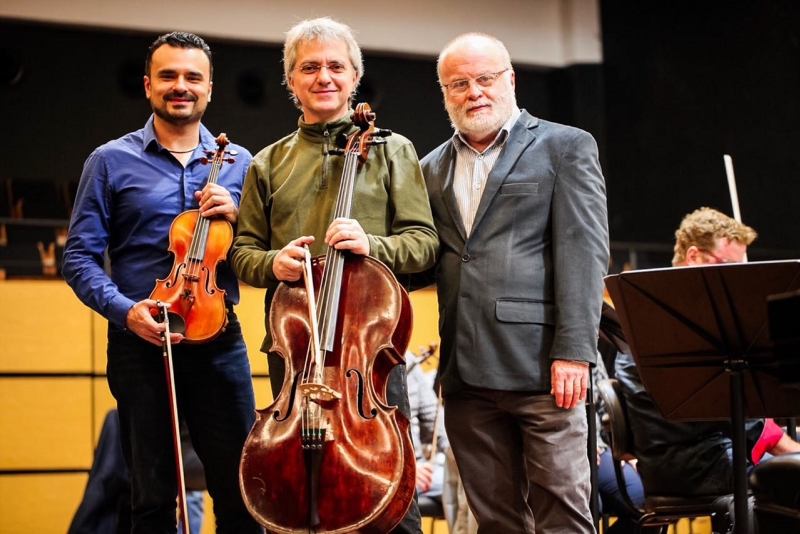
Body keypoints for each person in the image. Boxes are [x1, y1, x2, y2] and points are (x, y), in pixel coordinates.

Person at [230, 17, 438, 533]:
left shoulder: (392, 150)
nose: (324, 76)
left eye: (336, 66)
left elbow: (426, 244)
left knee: (393, 508)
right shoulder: (267, 163)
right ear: (291, 80)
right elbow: (242, 253)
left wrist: (375, 245)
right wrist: (271, 263)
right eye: (309, 67)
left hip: (369, 359)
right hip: (298, 355)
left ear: (354, 76)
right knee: (296, 501)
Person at [62, 31, 262, 533]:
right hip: (140, 340)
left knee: (243, 492)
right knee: (150, 498)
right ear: (149, 84)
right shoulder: (108, 161)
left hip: (220, 339)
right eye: (169, 76)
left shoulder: (240, 163)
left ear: (209, 88)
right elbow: (79, 258)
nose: (181, 86)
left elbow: (261, 253)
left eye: (192, 77)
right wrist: (125, 311)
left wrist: (238, 216)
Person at [419, 32, 609, 532]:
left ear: (510, 79)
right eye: (459, 83)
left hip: (545, 370)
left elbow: (584, 253)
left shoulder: (565, 146)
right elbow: (424, 259)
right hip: (464, 374)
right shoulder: (428, 168)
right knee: (497, 521)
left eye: (485, 78)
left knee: (563, 515)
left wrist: (574, 350)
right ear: (445, 92)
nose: (474, 91)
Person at [614, 207, 800, 531]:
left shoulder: (681, 321)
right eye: (729, 267)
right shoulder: (659, 324)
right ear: (694, 256)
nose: (740, 279)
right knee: (791, 485)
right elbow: (726, 411)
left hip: (706, 456)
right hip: (692, 467)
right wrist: (790, 448)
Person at [406, 352, 448, 503]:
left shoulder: (408, 358)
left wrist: (459, 459)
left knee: (475, 482)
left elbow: (434, 419)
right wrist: (406, 470)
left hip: (420, 467)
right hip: (384, 472)